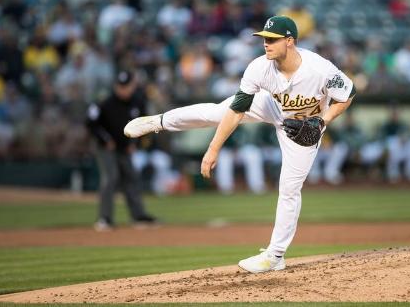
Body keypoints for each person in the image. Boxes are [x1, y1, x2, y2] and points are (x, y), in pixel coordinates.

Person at [124, 16, 355, 273]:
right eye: (264, 39)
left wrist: (322, 121)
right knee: (217, 112)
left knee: (289, 188)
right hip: (271, 105)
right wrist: (213, 149)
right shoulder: (259, 67)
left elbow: (347, 94)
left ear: (290, 41)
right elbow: (236, 111)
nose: (265, 44)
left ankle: (275, 255)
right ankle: (160, 121)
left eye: (271, 40)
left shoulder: (320, 69)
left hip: (303, 128)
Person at [87, 70, 158, 231]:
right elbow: (91, 124)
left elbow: (144, 123)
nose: (124, 90)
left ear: (133, 86)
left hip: (125, 147)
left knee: (131, 177)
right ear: (115, 86)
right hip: (106, 147)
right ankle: (105, 218)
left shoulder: (138, 101)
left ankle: (138, 216)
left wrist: (135, 143)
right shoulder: (104, 102)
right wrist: (105, 139)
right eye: (121, 86)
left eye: (127, 86)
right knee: (111, 177)